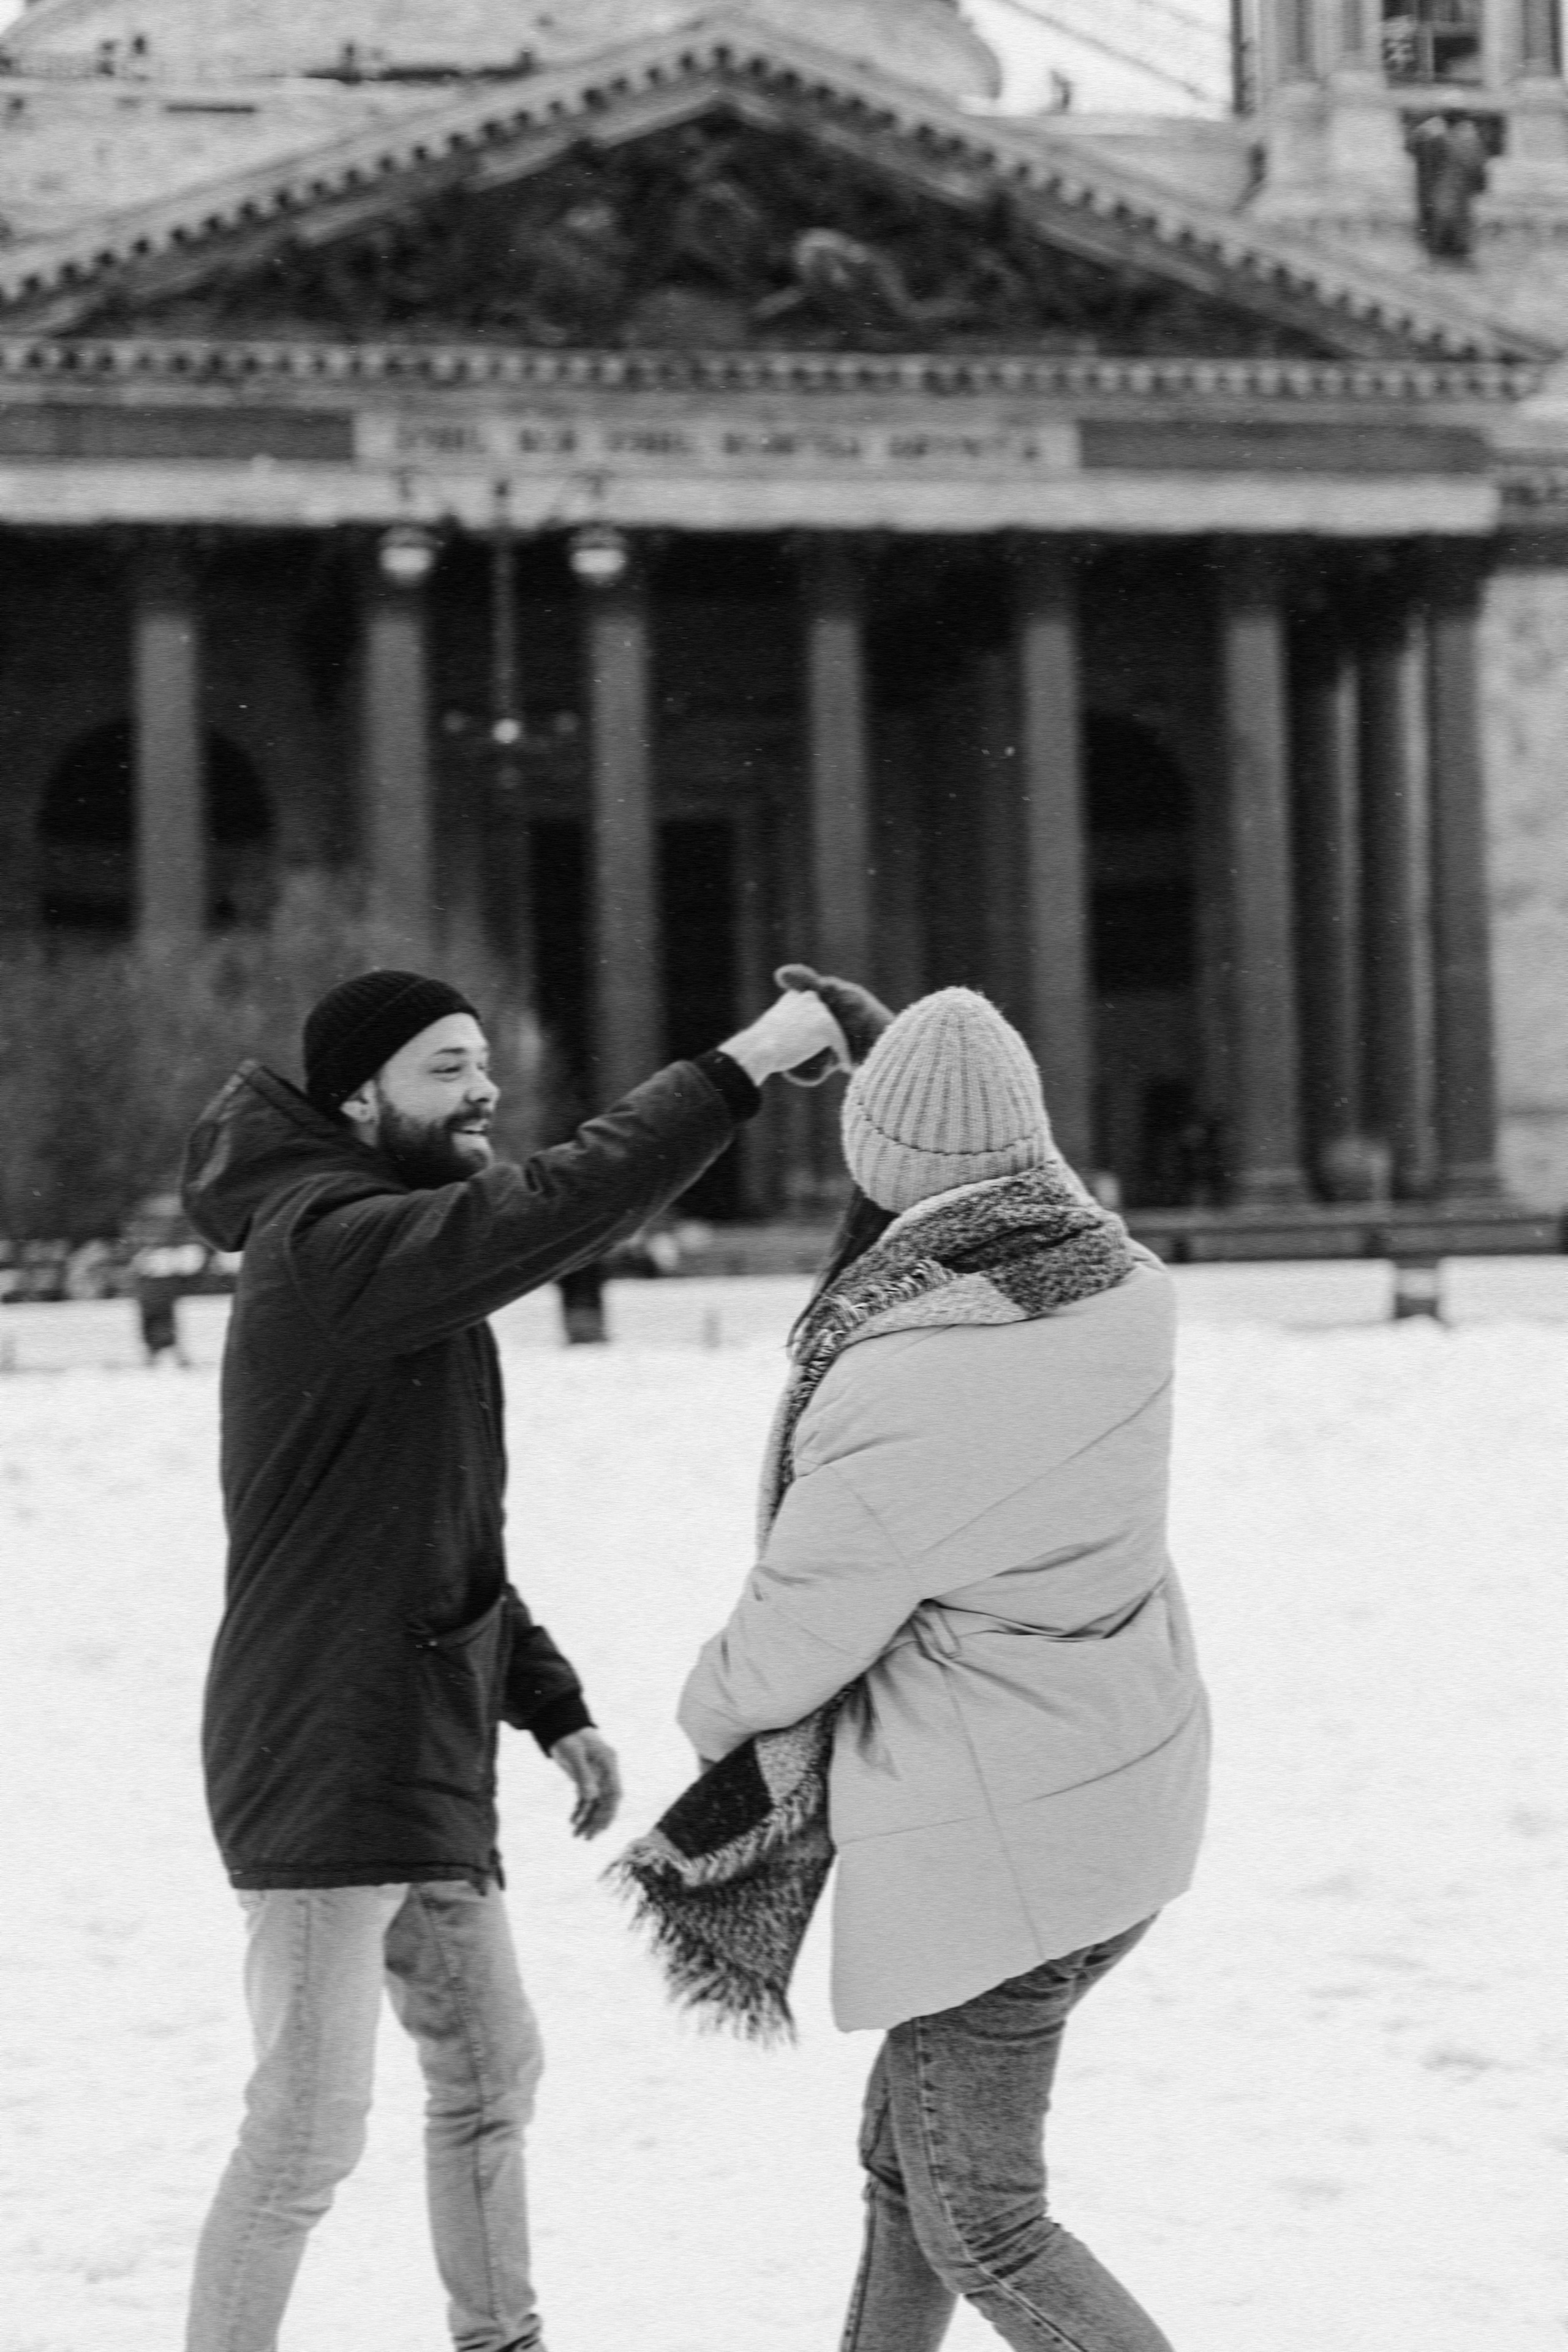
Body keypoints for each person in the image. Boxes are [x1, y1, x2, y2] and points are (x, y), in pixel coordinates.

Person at [178, 965, 848, 2352]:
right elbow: (560, 1201)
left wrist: (547, 1704)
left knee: (491, 2076)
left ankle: (501, 2339)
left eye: (483, 1062)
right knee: (305, 2131)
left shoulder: (388, 1253)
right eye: (445, 1069)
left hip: (414, 1736)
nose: (482, 1091)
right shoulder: (332, 1240)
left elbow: (427, 1529)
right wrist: (747, 1060)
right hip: (320, 1751)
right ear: (355, 1097)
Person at [678, 987, 1210, 2352]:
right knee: (906, 2173)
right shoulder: (1111, 1288)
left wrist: (709, 1714)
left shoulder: (915, 1366)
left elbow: (796, 1635)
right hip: (1110, 1790)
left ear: (875, 1161)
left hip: (999, 1844)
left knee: (984, 2223)